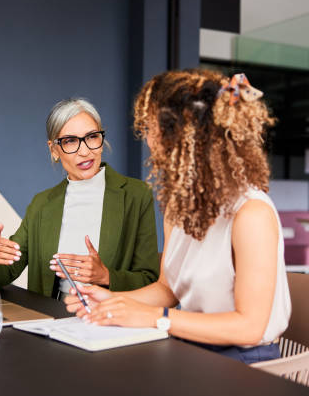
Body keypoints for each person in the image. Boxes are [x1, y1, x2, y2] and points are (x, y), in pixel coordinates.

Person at [65, 70, 291, 363]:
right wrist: (113, 300)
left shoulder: (251, 214)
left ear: (184, 136)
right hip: (190, 348)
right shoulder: (179, 207)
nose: (146, 139)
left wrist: (153, 317)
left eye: (151, 127)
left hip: (248, 367)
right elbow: (167, 289)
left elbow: (249, 328)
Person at [0, 97, 160, 299]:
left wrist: (106, 276)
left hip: (109, 319)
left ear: (101, 141)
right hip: (52, 318)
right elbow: (7, 272)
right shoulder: (41, 204)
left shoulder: (136, 195)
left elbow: (149, 279)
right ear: (54, 150)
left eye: (92, 137)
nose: (84, 151)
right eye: (70, 141)